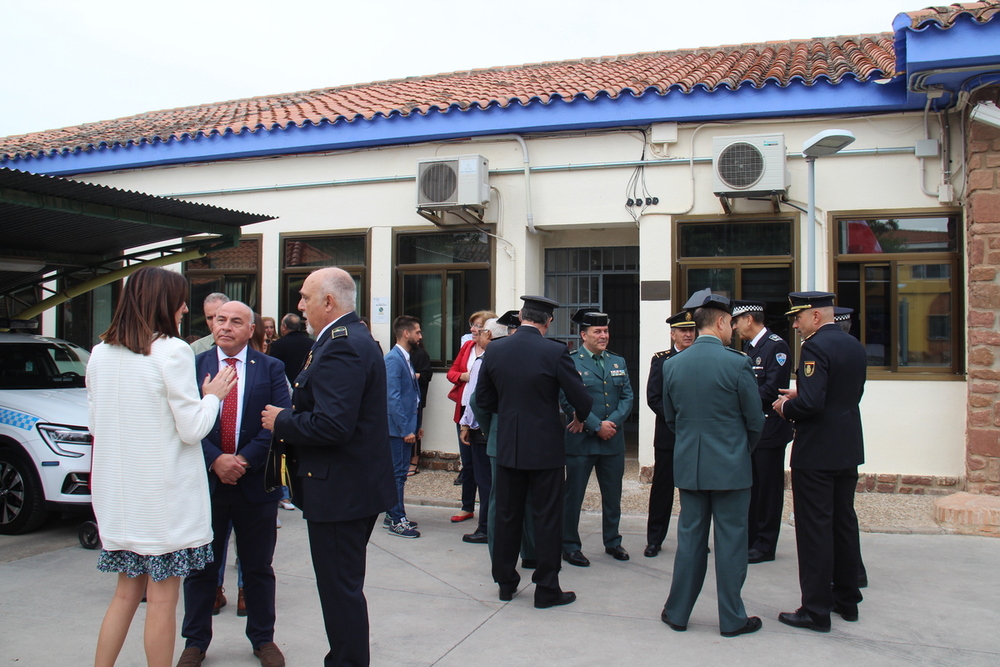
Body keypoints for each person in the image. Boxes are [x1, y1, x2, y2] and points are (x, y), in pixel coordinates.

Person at [86, 266, 235, 667]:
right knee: (164, 600)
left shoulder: (100, 353)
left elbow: (95, 423)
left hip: (119, 498)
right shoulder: (173, 351)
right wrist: (213, 396)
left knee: (125, 594)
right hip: (163, 500)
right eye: (181, 300)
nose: (186, 307)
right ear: (162, 303)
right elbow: (193, 430)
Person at [261, 267, 395, 667]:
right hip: (348, 486)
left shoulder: (342, 344)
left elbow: (333, 425)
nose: (299, 306)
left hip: (341, 492)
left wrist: (280, 421)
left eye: (305, 297)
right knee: (342, 587)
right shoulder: (346, 338)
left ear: (328, 302)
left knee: (340, 590)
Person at [178, 302, 291, 667]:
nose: (225, 327)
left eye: (235, 322)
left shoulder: (271, 368)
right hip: (205, 482)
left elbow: (279, 422)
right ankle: (195, 641)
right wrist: (215, 459)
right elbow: (180, 420)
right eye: (219, 320)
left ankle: (263, 639)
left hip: (254, 483)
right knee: (201, 568)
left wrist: (241, 461)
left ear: (251, 329)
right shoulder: (194, 366)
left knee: (258, 567)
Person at [476, 295, 592, 609]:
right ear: (547, 321)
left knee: (507, 515)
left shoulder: (496, 349)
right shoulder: (554, 351)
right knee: (547, 517)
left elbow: (483, 400)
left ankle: (505, 583)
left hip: (509, 446)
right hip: (545, 448)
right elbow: (582, 398)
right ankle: (546, 589)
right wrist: (579, 417)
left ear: (523, 316)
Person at [660, 292, 764, 638]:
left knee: (689, 540)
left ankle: (677, 612)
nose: (733, 330)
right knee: (732, 542)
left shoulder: (673, 365)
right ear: (720, 322)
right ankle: (732, 619)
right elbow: (754, 420)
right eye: (730, 323)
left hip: (690, 464)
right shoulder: (737, 363)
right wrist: (740, 451)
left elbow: (672, 418)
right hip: (731, 468)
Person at [773, 291, 867, 633]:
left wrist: (786, 408)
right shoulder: (852, 344)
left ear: (815, 317)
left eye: (798, 318)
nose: (795, 325)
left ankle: (815, 610)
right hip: (847, 447)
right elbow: (845, 392)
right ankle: (847, 599)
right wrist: (806, 394)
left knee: (815, 530)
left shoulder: (814, 346)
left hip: (817, 452)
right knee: (843, 523)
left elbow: (811, 404)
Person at [561, 308, 634, 566]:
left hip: (612, 441)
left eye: (605, 331)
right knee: (574, 496)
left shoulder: (618, 361)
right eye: (597, 332)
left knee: (612, 496)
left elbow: (627, 397)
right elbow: (566, 399)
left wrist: (610, 423)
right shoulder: (570, 361)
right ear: (584, 335)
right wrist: (595, 425)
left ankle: (613, 541)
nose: (603, 336)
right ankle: (569, 545)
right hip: (582, 442)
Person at [731, 301, 794, 564]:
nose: (734, 328)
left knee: (768, 491)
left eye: (736, 321)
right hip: (754, 429)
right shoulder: (751, 347)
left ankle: (766, 545)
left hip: (770, 429)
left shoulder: (775, 346)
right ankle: (752, 539)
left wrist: (737, 400)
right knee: (753, 488)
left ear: (748, 319)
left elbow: (772, 390)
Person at [643, 310, 696, 558]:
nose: (688, 334)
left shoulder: (700, 358)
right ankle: (654, 539)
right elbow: (653, 398)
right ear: (672, 333)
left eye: (691, 329)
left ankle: (696, 538)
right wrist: (677, 419)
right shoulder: (661, 360)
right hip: (669, 436)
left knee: (695, 490)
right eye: (683, 330)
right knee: (663, 490)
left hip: (696, 437)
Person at [458, 317, 505, 544]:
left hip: (482, 430)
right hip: (501, 430)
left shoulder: (482, 361)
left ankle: (486, 527)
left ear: (489, 335)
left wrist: (466, 424)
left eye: (482, 331)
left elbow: (475, 399)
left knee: (485, 482)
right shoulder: (507, 359)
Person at [446, 310, 496, 521]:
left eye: (477, 325)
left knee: (485, 466)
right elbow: (452, 373)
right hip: (464, 411)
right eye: (471, 325)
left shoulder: (493, 350)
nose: (472, 329)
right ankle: (467, 506)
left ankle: (487, 513)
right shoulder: (467, 347)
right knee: (468, 463)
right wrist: (465, 376)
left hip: (483, 414)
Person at [383, 315, 423, 538]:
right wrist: (405, 429)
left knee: (399, 474)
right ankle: (397, 520)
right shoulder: (393, 359)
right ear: (406, 333)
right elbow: (393, 397)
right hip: (397, 430)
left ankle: (394, 513)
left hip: (406, 426)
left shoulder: (404, 358)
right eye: (417, 332)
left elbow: (412, 396)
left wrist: (416, 425)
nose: (420, 336)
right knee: (398, 474)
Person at [409, 338, 433, 476]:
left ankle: (414, 461)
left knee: (415, 429)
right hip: (403, 399)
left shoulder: (421, 354)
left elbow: (427, 375)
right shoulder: (399, 354)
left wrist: (412, 376)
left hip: (416, 398)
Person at [267, 313, 314, 383]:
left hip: (284, 385)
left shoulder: (277, 345)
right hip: (306, 385)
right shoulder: (312, 343)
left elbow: (271, 368)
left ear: (284, 327)